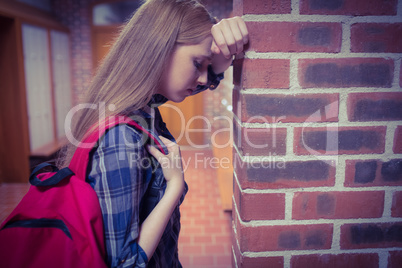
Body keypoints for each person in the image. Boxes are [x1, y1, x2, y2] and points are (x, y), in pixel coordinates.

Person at [60, 0, 248, 267]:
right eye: (197, 63)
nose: (204, 79)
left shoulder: (142, 107)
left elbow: (204, 78)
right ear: (159, 50)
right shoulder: (121, 138)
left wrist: (223, 48)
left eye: (205, 66)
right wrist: (174, 187)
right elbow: (125, 263)